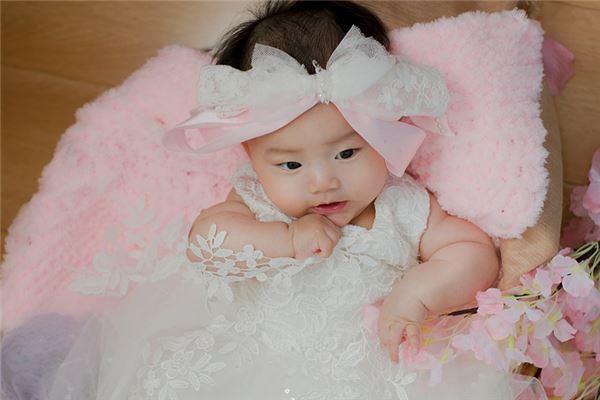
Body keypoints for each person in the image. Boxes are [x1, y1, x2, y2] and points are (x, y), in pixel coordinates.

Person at [1, 1, 542, 399]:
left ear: (386, 129)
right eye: (290, 164)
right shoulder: (256, 201)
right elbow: (206, 242)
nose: (322, 182)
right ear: (251, 155)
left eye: (347, 153)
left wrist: (417, 294)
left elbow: (472, 252)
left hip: (366, 372)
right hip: (244, 360)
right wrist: (283, 239)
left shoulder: (404, 204)